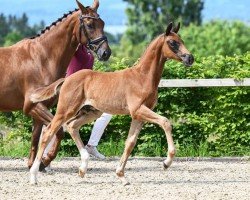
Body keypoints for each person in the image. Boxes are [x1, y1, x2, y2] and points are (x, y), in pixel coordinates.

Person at [41, 45, 112, 167]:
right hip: (72, 89)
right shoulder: (76, 46)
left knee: (107, 112)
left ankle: (90, 146)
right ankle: (43, 155)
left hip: (87, 89)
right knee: (59, 121)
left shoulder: (89, 49)